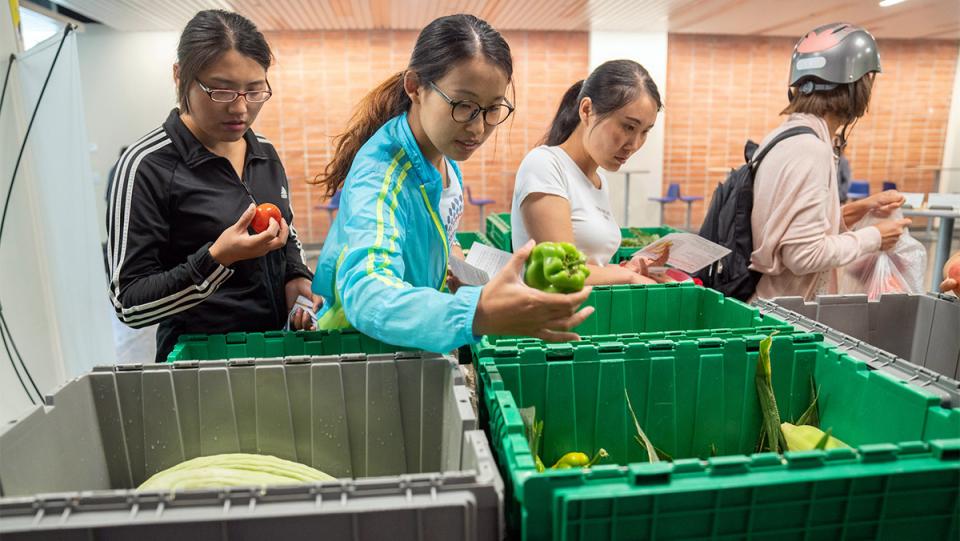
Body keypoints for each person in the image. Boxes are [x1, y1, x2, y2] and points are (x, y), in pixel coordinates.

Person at [309, 14, 594, 350]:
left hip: (411, 339)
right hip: (362, 349)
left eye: (492, 109)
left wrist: (455, 270)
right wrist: (477, 313)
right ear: (415, 87)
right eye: (464, 105)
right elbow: (368, 293)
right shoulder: (381, 175)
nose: (477, 128)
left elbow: (436, 230)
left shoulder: (440, 151)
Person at [107, 10, 317, 362]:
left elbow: (287, 233)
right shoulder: (146, 166)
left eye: (254, 91)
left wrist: (296, 278)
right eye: (221, 91)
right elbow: (130, 305)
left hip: (275, 355)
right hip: (200, 368)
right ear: (179, 76)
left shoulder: (263, 152)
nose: (240, 109)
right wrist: (218, 258)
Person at [750, 23, 911, 300]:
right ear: (856, 89)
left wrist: (857, 209)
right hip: (787, 319)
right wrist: (873, 236)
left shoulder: (784, 138)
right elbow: (802, 255)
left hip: (770, 305)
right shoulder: (811, 150)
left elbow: (790, 223)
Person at [511, 60, 666, 285]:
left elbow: (590, 267)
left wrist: (631, 269)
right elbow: (560, 271)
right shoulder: (544, 164)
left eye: (645, 132)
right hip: (546, 317)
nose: (634, 144)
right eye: (628, 127)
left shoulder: (599, 181)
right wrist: (628, 276)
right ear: (586, 110)